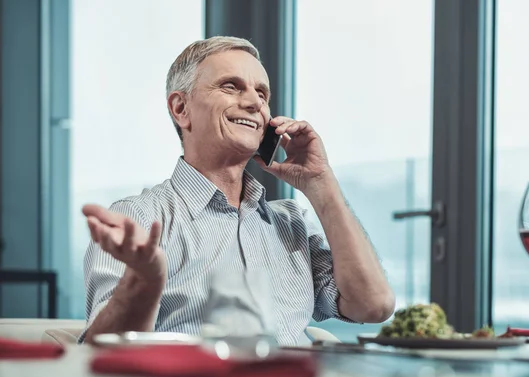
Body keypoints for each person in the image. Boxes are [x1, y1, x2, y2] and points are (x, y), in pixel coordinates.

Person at [79, 36, 395, 346]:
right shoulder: (139, 219)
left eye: (262, 93)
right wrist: (144, 280)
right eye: (231, 86)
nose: (254, 102)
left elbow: (373, 305)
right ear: (181, 109)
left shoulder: (291, 223)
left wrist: (320, 181)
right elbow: (102, 349)